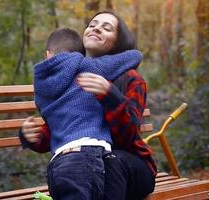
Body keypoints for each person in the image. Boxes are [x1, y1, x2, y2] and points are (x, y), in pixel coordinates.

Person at [20, 11, 157, 200]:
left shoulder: (131, 78)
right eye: (92, 24)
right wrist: (32, 136)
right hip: (90, 165)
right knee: (77, 166)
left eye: (106, 28)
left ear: (118, 42)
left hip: (131, 164)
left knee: (108, 162)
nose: (96, 28)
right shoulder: (70, 76)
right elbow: (64, 129)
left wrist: (110, 96)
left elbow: (129, 134)